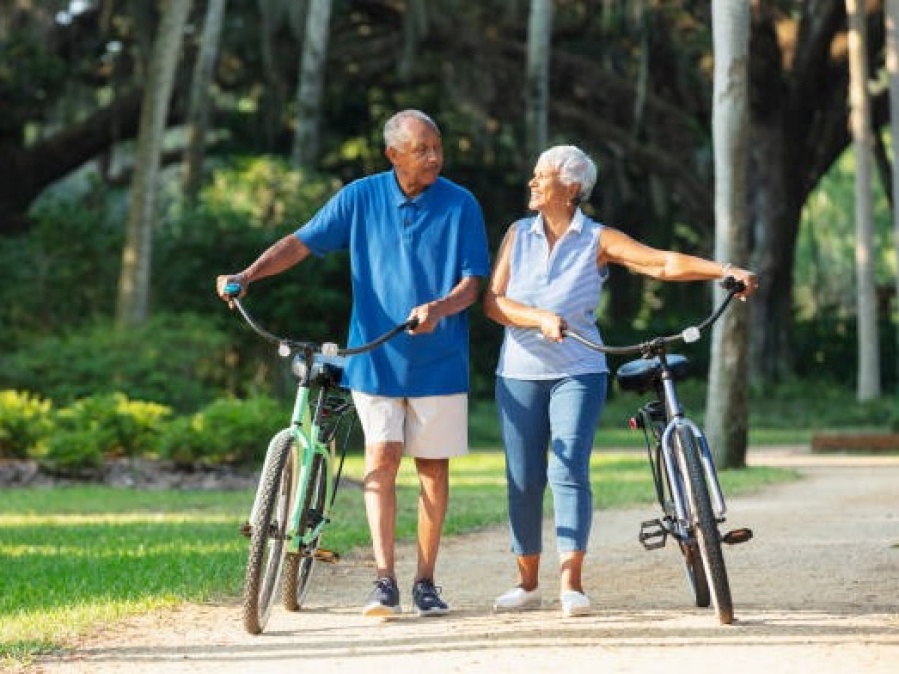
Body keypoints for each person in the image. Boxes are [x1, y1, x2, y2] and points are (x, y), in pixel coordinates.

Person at [216, 109, 490, 618]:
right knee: (381, 459)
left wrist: (440, 308)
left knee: (432, 469)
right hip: (374, 357)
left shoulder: (461, 204)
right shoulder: (360, 197)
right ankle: (383, 580)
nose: (434, 157)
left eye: (437, 147)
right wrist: (249, 274)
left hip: (440, 360)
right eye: (422, 149)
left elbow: (473, 283)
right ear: (393, 155)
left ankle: (425, 582)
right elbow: (301, 241)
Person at [483, 145, 757, 617]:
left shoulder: (596, 239)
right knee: (523, 480)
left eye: (541, 175)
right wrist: (536, 317)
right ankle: (527, 584)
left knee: (567, 471)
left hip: (578, 370)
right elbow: (493, 302)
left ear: (571, 188)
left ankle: (572, 583)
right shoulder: (517, 234)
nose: (531, 183)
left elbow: (660, 263)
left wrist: (724, 271)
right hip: (519, 373)